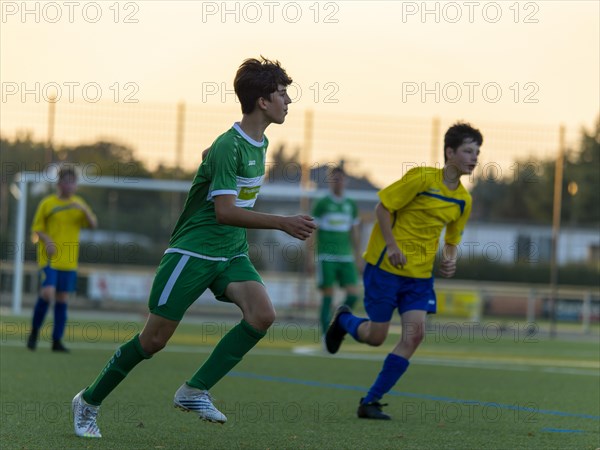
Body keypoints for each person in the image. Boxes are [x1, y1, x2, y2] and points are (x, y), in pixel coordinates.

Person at [72, 57, 316, 438]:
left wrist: (210, 162)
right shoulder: (228, 145)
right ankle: (87, 401)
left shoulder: (258, 142)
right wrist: (282, 222)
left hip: (231, 253)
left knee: (262, 314)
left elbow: (212, 161)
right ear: (263, 101)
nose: (289, 102)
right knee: (153, 341)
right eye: (283, 94)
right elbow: (224, 211)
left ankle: (194, 390)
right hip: (194, 253)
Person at [324, 122, 482, 420]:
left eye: (477, 152)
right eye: (467, 151)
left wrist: (449, 258)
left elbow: (451, 239)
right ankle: (344, 320)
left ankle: (370, 401)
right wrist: (393, 246)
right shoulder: (421, 178)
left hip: (420, 277)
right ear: (450, 152)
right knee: (376, 337)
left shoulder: (464, 199)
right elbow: (383, 208)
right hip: (386, 268)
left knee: (415, 335)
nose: (474, 158)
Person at [27, 166, 97, 352]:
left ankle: (56, 341)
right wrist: (47, 239)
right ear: (58, 183)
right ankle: (34, 332)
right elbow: (36, 229)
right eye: (66, 181)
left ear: (76, 185)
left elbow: (92, 225)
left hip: (69, 261)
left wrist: (83, 210)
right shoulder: (48, 203)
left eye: (72, 181)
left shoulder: (79, 204)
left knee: (62, 299)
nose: (69, 185)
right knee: (48, 293)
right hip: (49, 259)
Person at [307, 166, 362, 335]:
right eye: (335, 179)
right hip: (326, 257)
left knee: (353, 295)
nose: (338, 182)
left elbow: (354, 231)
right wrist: (310, 255)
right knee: (327, 295)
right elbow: (312, 231)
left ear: (346, 181)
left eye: (341, 179)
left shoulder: (350, 204)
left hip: (346, 257)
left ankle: (337, 317)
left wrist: (358, 256)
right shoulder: (322, 203)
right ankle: (327, 335)